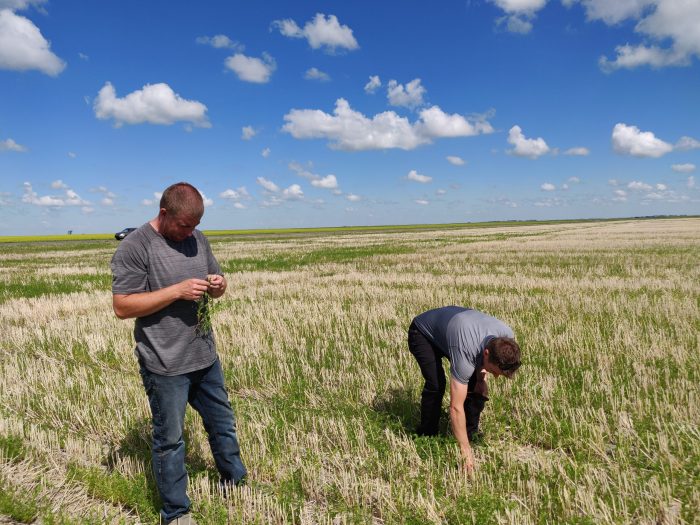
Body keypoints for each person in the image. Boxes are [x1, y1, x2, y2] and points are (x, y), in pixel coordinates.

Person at [111, 182, 246, 525]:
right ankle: (175, 512)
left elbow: (220, 286)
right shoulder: (135, 247)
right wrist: (177, 291)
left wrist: (218, 285)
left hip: (204, 356)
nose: (191, 233)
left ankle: (236, 482)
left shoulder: (197, 239)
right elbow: (123, 307)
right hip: (165, 362)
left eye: (195, 226)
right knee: (170, 440)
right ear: (164, 213)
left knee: (223, 424)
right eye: (184, 225)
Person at [408, 306, 521, 474]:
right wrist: (464, 451)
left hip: (457, 330)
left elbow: (482, 362)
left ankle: (470, 433)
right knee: (436, 384)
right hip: (422, 333)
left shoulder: (507, 337)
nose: (496, 377)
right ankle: (427, 436)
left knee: (477, 386)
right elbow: (455, 407)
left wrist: (482, 377)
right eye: (494, 372)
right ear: (487, 353)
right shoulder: (465, 349)